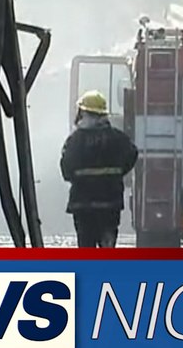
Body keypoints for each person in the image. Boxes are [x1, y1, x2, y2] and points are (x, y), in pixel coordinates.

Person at [60, 90, 139, 248]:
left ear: (84, 113)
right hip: (110, 205)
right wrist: (117, 173)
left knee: (86, 250)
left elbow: (66, 170)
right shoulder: (119, 139)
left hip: (83, 207)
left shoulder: (75, 141)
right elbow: (132, 154)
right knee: (107, 249)